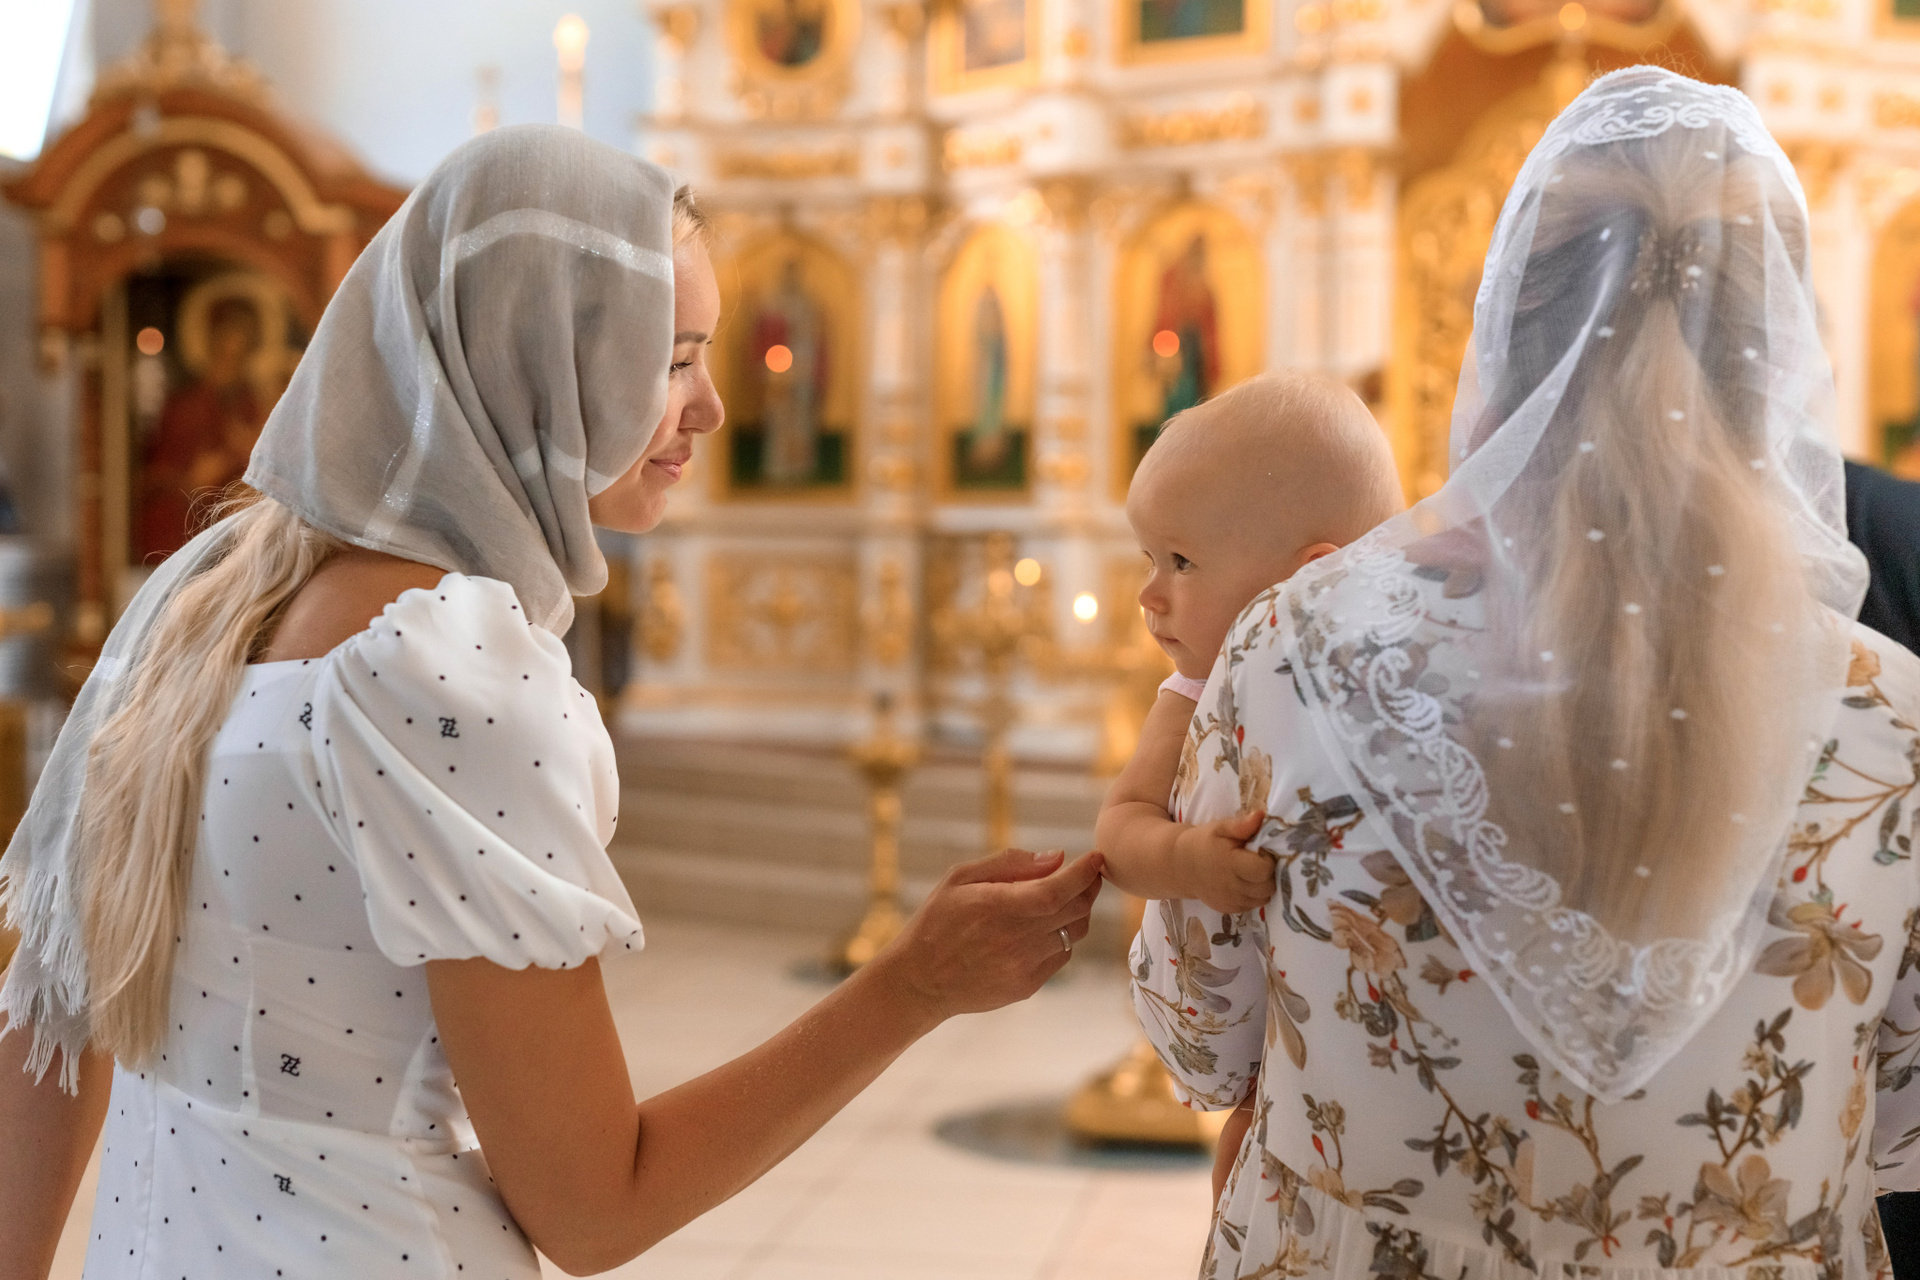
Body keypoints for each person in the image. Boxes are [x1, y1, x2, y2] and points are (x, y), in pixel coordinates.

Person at [0, 126, 1102, 1280]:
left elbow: (45, 1020)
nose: (713, 408)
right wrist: (910, 986)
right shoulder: (441, 672)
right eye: (672, 359)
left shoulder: (201, 594)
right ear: (535, 357)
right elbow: (592, 1206)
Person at [1132, 66, 1920, 1278]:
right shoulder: (1895, 717)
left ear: (1502, 334)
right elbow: (1900, 1121)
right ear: (1774, 366)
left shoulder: (1297, 647)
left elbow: (1198, 1036)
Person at [1097, 370, 1402, 1201]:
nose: (1149, 594)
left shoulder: (1394, 688)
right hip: (1258, 1029)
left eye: (1181, 562)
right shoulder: (1190, 693)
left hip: (1360, 1009)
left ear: (1311, 581)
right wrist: (1188, 859)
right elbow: (1119, 830)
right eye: (1150, 559)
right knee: (1251, 1155)